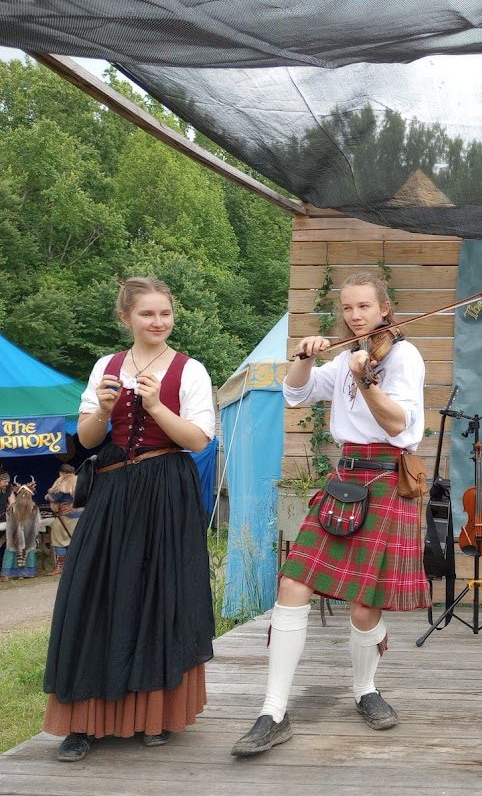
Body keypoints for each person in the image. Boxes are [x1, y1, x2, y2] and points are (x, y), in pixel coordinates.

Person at [231, 272, 428, 757]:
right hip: (346, 478)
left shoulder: (403, 357)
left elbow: (398, 423)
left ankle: (365, 690)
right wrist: (302, 359)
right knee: (293, 584)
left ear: (384, 309)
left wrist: (364, 380)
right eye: (348, 308)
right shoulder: (344, 358)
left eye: (364, 307)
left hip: (386, 475)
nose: (355, 315)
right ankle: (273, 711)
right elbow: (297, 393)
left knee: (364, 605)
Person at [42, 277, 216, 762]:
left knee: (161, 596)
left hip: (167, 490)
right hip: (115, 490)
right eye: (147, 315)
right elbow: (90, 438)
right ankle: (83, 721)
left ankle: (154, 717)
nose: (158, 322)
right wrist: (101, 408)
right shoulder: (106, 366)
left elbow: (199, 440)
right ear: (127, 319)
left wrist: (157, 405)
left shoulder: (191, 370)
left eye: (164, 313)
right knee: (92, 593)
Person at [45, 463, 78, 576]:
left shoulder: (63, 481)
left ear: (61, 473)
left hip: (66, 516)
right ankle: (75, 565)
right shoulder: (80, 481)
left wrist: (47, 496)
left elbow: (55, 497)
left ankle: (60, 567)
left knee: (59, 539)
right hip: (81, 516)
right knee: (76, 540)